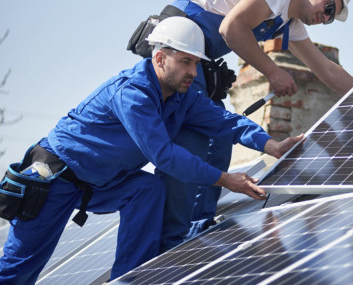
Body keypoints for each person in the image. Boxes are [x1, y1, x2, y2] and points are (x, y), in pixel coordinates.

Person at [0, 17, 302, 283]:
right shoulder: (132, 93)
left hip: (102, 183)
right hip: (55, 179)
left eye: (196, 63)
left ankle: (130, 279)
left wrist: (270, 144)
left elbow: (225, 121)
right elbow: (164, 155)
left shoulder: (183, 97)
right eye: (185, 62)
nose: (192, 72)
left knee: (148, 189)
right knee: (20, 269)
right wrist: (224, 179)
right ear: (159, 59)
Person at [134, 0, 353, 251]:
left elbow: (325, 69)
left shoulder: (289, 23)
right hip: (178, 52)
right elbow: (232, 28)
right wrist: (273, 72)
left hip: (197, 59)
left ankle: (197, 228)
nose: (325, 18)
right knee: (193, 142)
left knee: (219, 143)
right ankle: (170, 241)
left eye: (330, 19)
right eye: (328, 8)